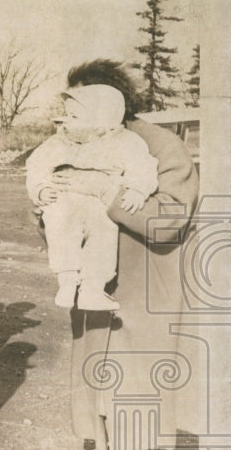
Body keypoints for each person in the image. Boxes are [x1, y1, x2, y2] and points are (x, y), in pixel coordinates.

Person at [52, 60, 198, 450]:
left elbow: (169, 219)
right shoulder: (83, 140)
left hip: (141, 281)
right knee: (95, 368)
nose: (72, 112)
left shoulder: (159, 145)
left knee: (131, 373)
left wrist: (105, 192)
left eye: (80, 100)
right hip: (96, 280)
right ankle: (105, 448)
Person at [26, 85, 159, 311]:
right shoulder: (58, 142)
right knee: (60, 226)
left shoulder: (125, 142)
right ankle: (67, 281)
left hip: (100, 203)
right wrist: (40, 189)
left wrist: (138, 189)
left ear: (102, 121)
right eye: (66, 114)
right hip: (64, 198)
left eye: (74, 116)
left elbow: (143, 166)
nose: (65, 121)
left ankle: (93, 288)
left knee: (104, 235)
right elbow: (36, 166)